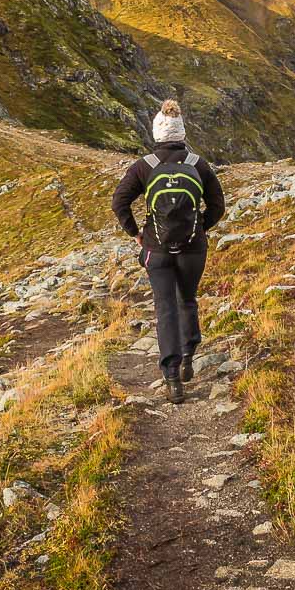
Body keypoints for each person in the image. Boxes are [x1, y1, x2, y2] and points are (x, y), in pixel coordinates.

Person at [111, 99, 225, 403]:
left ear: (156, 134)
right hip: (193, 249)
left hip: (156, 250)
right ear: (182, 133)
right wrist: (200, 227)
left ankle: (173, 378)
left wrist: (136, 233)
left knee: (165, 309)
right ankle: (189, 355)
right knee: (187, 299)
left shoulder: (144, 166)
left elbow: (119, 202)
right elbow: (218, 206)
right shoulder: (197, 164)